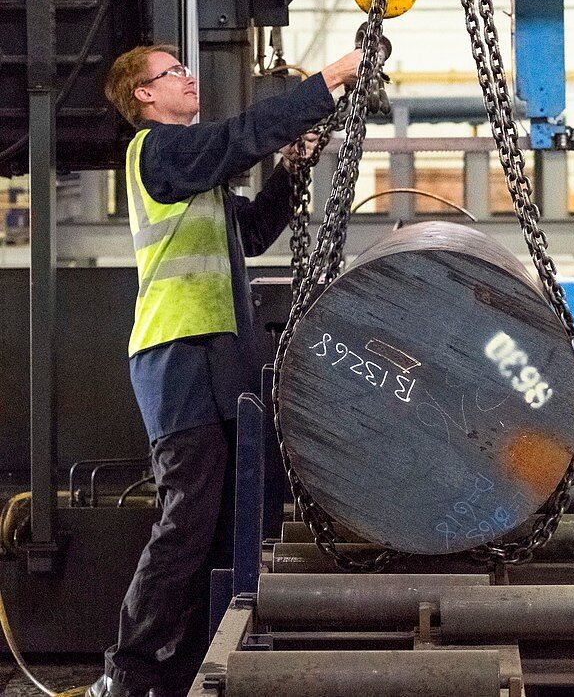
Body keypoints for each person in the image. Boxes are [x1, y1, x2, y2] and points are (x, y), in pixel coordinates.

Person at [87, 42, 362, 697]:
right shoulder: (157, 152)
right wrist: (326, 81)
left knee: (222, 528)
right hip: (175, 355)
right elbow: (239, 139)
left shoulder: (195, 177)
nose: (188, 78)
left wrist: (292, 170)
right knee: (187, 521)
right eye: (172, 72)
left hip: (214, 358)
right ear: (144, 96)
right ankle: (127, 676)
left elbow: (256, 229)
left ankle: (184, 673)